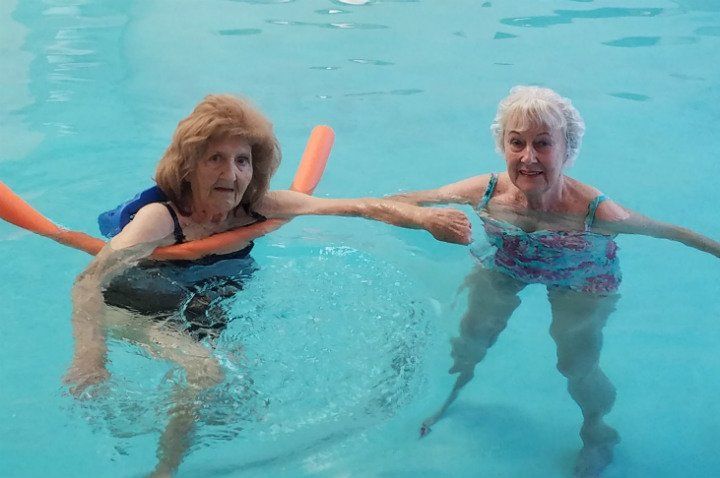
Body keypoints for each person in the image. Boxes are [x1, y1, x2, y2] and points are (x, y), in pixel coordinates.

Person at [63, 94, 471, 478]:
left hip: (198, 304)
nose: (231, 174)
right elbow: (88, 282)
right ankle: (164, 469)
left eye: (242, 160)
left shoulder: (257, 208)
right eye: (215, 159)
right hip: (133, 305)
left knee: (238, 392)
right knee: (206, 372)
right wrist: (90, 357)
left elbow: (357, 207)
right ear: (189, 166)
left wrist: (426, 220)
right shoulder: (160, 219)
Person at [389, 86, 720, 477]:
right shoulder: (487, 192)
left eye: (543, 143)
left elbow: (670, 232)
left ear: (567, 149)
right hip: (508, 263)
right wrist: (419, 217)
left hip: (580, 276)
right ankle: (450, 396)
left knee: (575, 363)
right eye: (517, 142)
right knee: (469, 339)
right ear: (503, 145)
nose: (528, 157)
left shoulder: (596, 212)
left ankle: (598, 433)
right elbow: (408, 201)